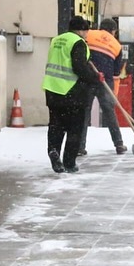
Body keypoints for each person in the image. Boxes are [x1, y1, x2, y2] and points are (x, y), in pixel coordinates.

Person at [43, 16, 103, 173]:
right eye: (86, 31)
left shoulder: (56, 40)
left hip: (52, 90)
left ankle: (53, 151)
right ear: (81, 30)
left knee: (56, 125)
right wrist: (95, 78)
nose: (87, 34)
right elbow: (79, 68)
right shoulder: (78, 43)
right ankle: (69, 162)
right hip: (71, 92)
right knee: (74, 128)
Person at [79, 18, 128, 156]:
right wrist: (113, 95)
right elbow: (116, 73)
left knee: (84, 113)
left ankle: (80, 147)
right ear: (113, 31)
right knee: (109, 113)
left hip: (88, 78)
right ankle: (119, 144)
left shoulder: (89, 34)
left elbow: (80, 54)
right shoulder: (117, 45)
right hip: (105, 82)